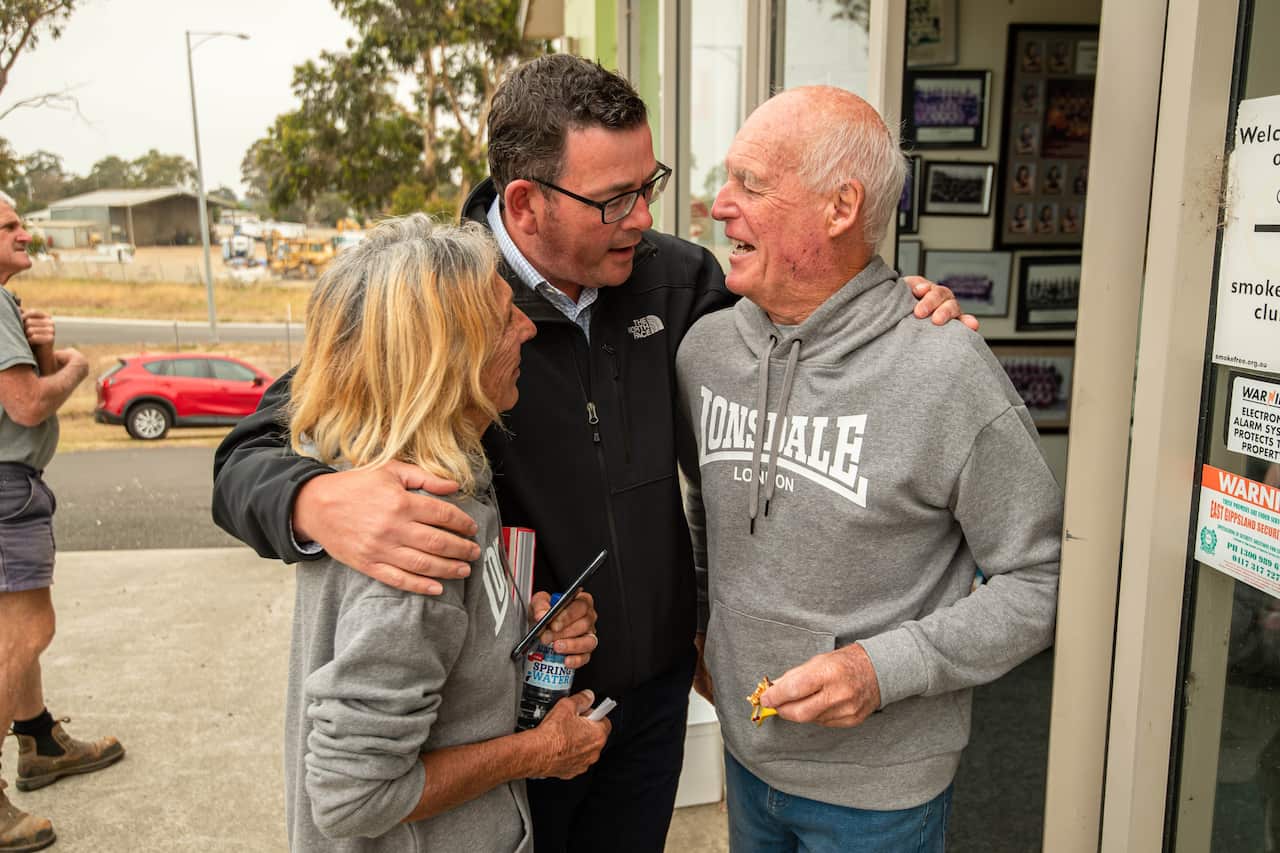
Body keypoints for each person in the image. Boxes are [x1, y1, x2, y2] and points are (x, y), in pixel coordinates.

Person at [211, 55, 969, 852]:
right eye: (613, 199)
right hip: (510, 716)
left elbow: (800, 339)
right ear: (525, 203)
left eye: (649, 185)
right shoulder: (446, 297)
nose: (642, 217)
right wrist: (314, 501)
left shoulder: (680, 280)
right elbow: (251, 452)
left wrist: (893, 312)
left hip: (651, 702)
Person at [676, 86, 1062, 852]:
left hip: (882, 795)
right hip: (747, 757)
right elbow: (705, 512)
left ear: (840, 207)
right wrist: (701, 629)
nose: (720, 206)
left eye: (751, 183)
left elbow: (1041, 579)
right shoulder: (705, 352)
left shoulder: (945, 369)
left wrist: (882, 667)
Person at [283, 214, 608, 851]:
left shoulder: (429, 483)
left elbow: (432, 662)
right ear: (448, 357)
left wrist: (521, 634)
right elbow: (353, 797)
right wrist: (539, 751)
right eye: (504, 317)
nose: (527, 327)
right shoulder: (417, 542)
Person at [0, 192, 124, 853]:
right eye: (9, 226)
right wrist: (75, 365)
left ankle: (39, 740)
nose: (25, 233)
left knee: (10, 628)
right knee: (28, 629)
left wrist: (43, 351)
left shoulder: (9, 305)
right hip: (6, 487)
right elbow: (27, 407)